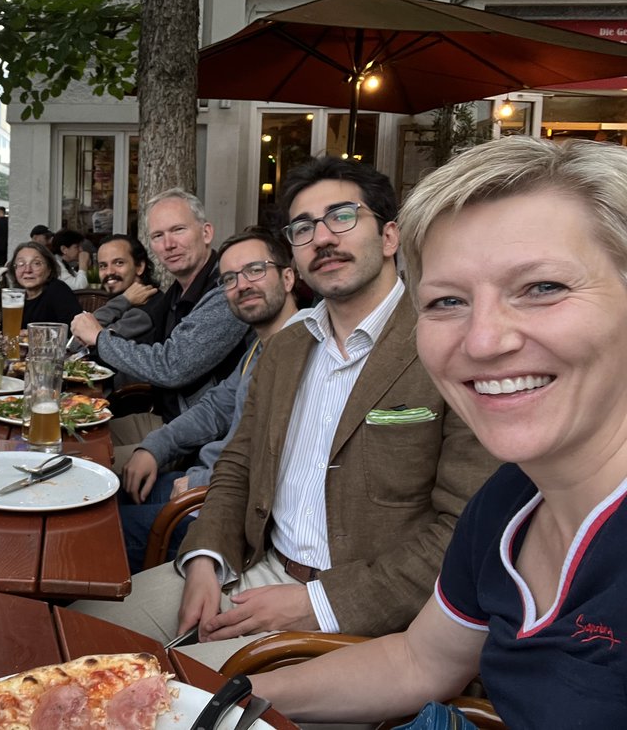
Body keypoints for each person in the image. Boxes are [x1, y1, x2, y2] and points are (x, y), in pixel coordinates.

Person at [250, 138, 627, 727]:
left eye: (542, 288)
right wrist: (215, 698)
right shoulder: (508, 502)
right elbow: (416, 663)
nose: (484, 340)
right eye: (448, 301)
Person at [72, 158, 497, 668]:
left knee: (148, 688)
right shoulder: (287, 347)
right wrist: (206, 556)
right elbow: (238, 464)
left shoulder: (450, 348)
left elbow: (466, 532)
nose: (323, 238)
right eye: (303, 227)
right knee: (71, 634)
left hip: (358, 614)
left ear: (389, 237)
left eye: (342, 216)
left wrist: (318, 603)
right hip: (251, 566)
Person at [117, 228, 301, 572]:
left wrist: (201, 482)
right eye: (230, 278)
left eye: (255, 270)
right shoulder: (260, 346)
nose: (242, 285)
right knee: (106, 495)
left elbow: (279, 459)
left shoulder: (299, 352)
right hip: (203, 481)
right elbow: (215, 407)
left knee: (96, 530)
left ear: (288, 278)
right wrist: (154, 447)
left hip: (221, 510)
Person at [71, 189, 248, 433]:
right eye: (158, 235)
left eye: (178, 230)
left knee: (80, 448)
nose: (168, 244)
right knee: (71, 436)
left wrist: (100, 338)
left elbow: (171, 366)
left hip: (200, 437)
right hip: (165, 420)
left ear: (206, 233)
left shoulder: (226, 291)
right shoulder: (177, 292)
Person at [88, 234, 164, 344]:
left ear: (140, 267)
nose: (109, 272)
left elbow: (85, 341)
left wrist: (124, 300)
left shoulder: (144, 310)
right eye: (103, 266)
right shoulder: (124, 302)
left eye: (119, 263)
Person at [7, 241, 82, 325]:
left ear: (49, 269)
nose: (27, 270)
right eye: (21, 264)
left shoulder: (58, 290)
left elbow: (76, 329)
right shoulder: (15, 296)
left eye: (36, 263)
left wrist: (33, 332)